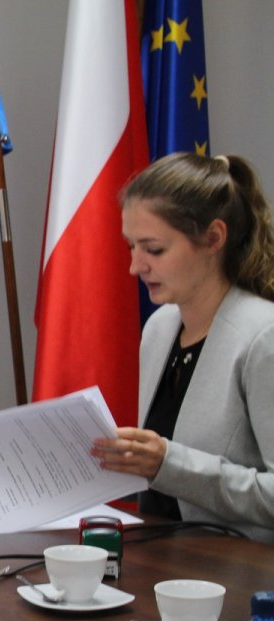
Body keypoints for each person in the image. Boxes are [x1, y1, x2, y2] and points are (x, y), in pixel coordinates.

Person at [92, 152, 274, 543]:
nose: (135, 267)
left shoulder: (264, 336)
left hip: (236, 569)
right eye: (131, 247)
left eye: (154, 250)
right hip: (159, 556)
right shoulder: (160, 327)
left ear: (214, 238)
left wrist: (169, 464)